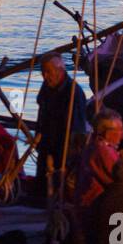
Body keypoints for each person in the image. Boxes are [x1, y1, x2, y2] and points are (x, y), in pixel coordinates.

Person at [34, 53, 90, 195]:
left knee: (60, 187)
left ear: (60, 71)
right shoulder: (46, 87)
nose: (45, 76)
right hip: (46, 143)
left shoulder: (73, 93)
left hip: (64, 148)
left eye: (48, 72)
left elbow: (76, 128)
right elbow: (42, 114)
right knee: (41, 186)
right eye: (43, 72)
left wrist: (70, 154)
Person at [77, 109, 123, 209]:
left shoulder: (94, 146)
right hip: (99, 208)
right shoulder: (103, 151)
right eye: (119, 130)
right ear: (107, 133)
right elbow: (121, 181)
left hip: (95, 204)